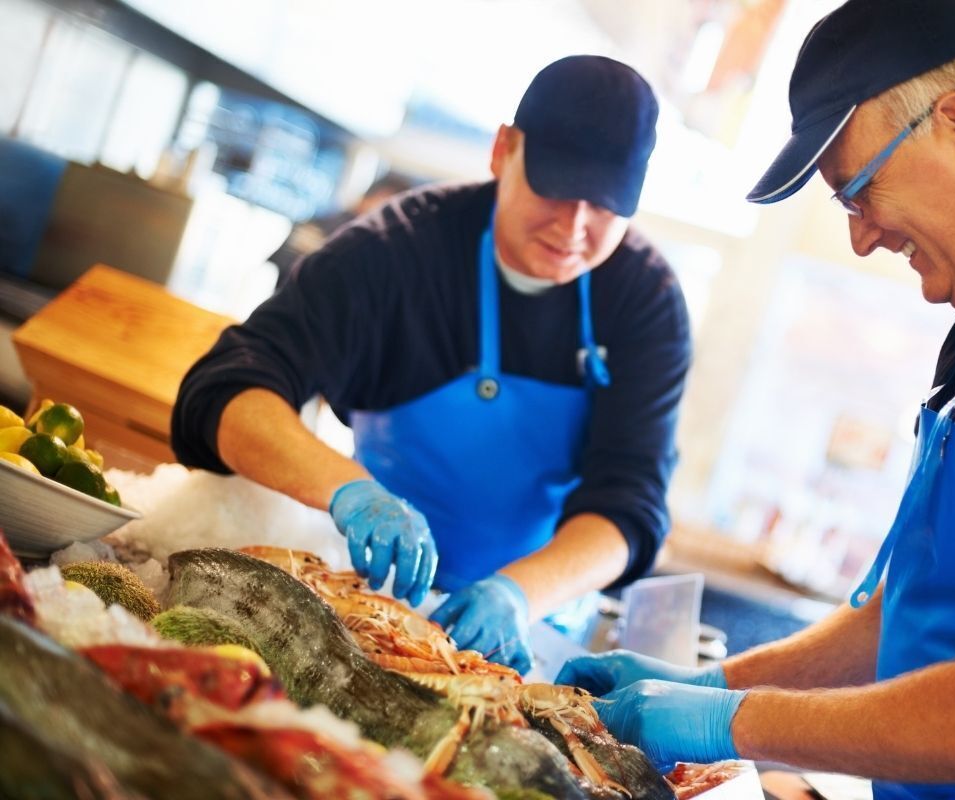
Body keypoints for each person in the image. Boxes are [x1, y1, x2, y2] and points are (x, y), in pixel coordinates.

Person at [557, 2, 955, 797]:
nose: (861, 238)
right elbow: (901, 619)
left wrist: (730, 724)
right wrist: (713, 683)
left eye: (857, 190)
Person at [171, 55, 691, 676]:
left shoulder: (645, 301)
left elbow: (632, 503)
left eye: (604, 204)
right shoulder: (392, 254)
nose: (573, 227)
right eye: (555, 186)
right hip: (370, 597)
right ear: (503, 150)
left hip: (533, 626)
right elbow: (224, 389)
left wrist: (517, 594)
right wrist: (350, 492)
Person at [268, 172, 416, 289]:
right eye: (386, 204)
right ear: (367, 198)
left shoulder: (376, 248)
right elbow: (282, 266)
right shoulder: (324, 228)